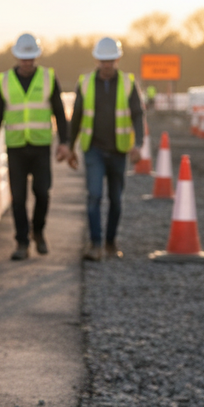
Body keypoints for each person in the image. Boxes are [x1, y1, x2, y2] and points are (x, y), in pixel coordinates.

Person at [0, 32, 70, 260]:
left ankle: (39, 232)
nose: (27, 62)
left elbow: (60, 112)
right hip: (15, 147)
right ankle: (22, 242)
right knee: (18, 197)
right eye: (24, 58)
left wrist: (64, 142)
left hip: (41, 145)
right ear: (17, 57)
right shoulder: (4, 80)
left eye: (31, 58)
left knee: (42, 193)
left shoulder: (48, 77)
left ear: (36, 57)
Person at [64, 37, 145, 261]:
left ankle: (110, 242)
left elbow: (138, 114)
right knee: (94, 196)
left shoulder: (128, 83)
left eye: (110, 60)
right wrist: (70, 147)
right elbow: (77, 116)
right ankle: (96, 244)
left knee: (116, 200)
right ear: (97, 60)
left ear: (117, 59)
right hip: (94, 149)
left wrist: (138, 145)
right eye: (102, 60)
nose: (106, 65)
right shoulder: (86, 82)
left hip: (119, 150)